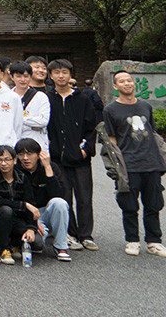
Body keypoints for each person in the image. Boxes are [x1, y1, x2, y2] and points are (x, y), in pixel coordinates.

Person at [103, 70, 166, 257]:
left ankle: (154, 241)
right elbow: (111, 139)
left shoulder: (145, 105)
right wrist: (116, 166)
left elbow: (152, 132)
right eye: (122, 81)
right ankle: (132, 240)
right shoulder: (110, 110)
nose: (127, 83)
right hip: (128, 165)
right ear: (115, 86)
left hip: (151, 162)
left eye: (129, 80)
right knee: (129, 205)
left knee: (153, 204)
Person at [46, 58, 99, 251]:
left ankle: (86, 235)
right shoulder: (47, 98)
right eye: (57, 72)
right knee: (64, 197)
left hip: (80, 159)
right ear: (51, 75)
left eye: (65, 72)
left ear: (70, 75)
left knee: (84, 198)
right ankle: (71, 233)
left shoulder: (82, 99)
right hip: (57, 158)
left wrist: (86, 150)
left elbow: (92, 128)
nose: (61, 76)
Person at [15, 137, 73, 261]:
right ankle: (40, 237)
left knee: (59, 202)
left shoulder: (50, 167)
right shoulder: (15, 171)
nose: (25, 158)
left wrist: (47, 167)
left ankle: (61, 247)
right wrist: (33, 223)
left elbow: (58, 194)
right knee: (36, 245)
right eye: (21, 154)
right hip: (27, 215)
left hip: (47, 212)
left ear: (38, 154)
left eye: (29, 154)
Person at [0, 145, 30, 264]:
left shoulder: (22, 177)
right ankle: (4, 249)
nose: (3, 163)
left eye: (7, 159)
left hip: (16, 218)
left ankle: (14, 244)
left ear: (14, 160)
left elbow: (31, 203)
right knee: (6, 210)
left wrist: (32, 228)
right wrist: (23, 205)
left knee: (37, 242)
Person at [11, 61, 51, 154]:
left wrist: (18, 119)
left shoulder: (40, 96)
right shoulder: (7, 97)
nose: (22, 79)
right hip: (14, 144)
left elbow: (43, 121)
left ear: (30, 76)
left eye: (26, 76)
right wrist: (32, 124)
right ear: (12, 77)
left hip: (37, 144)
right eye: (18, 76)